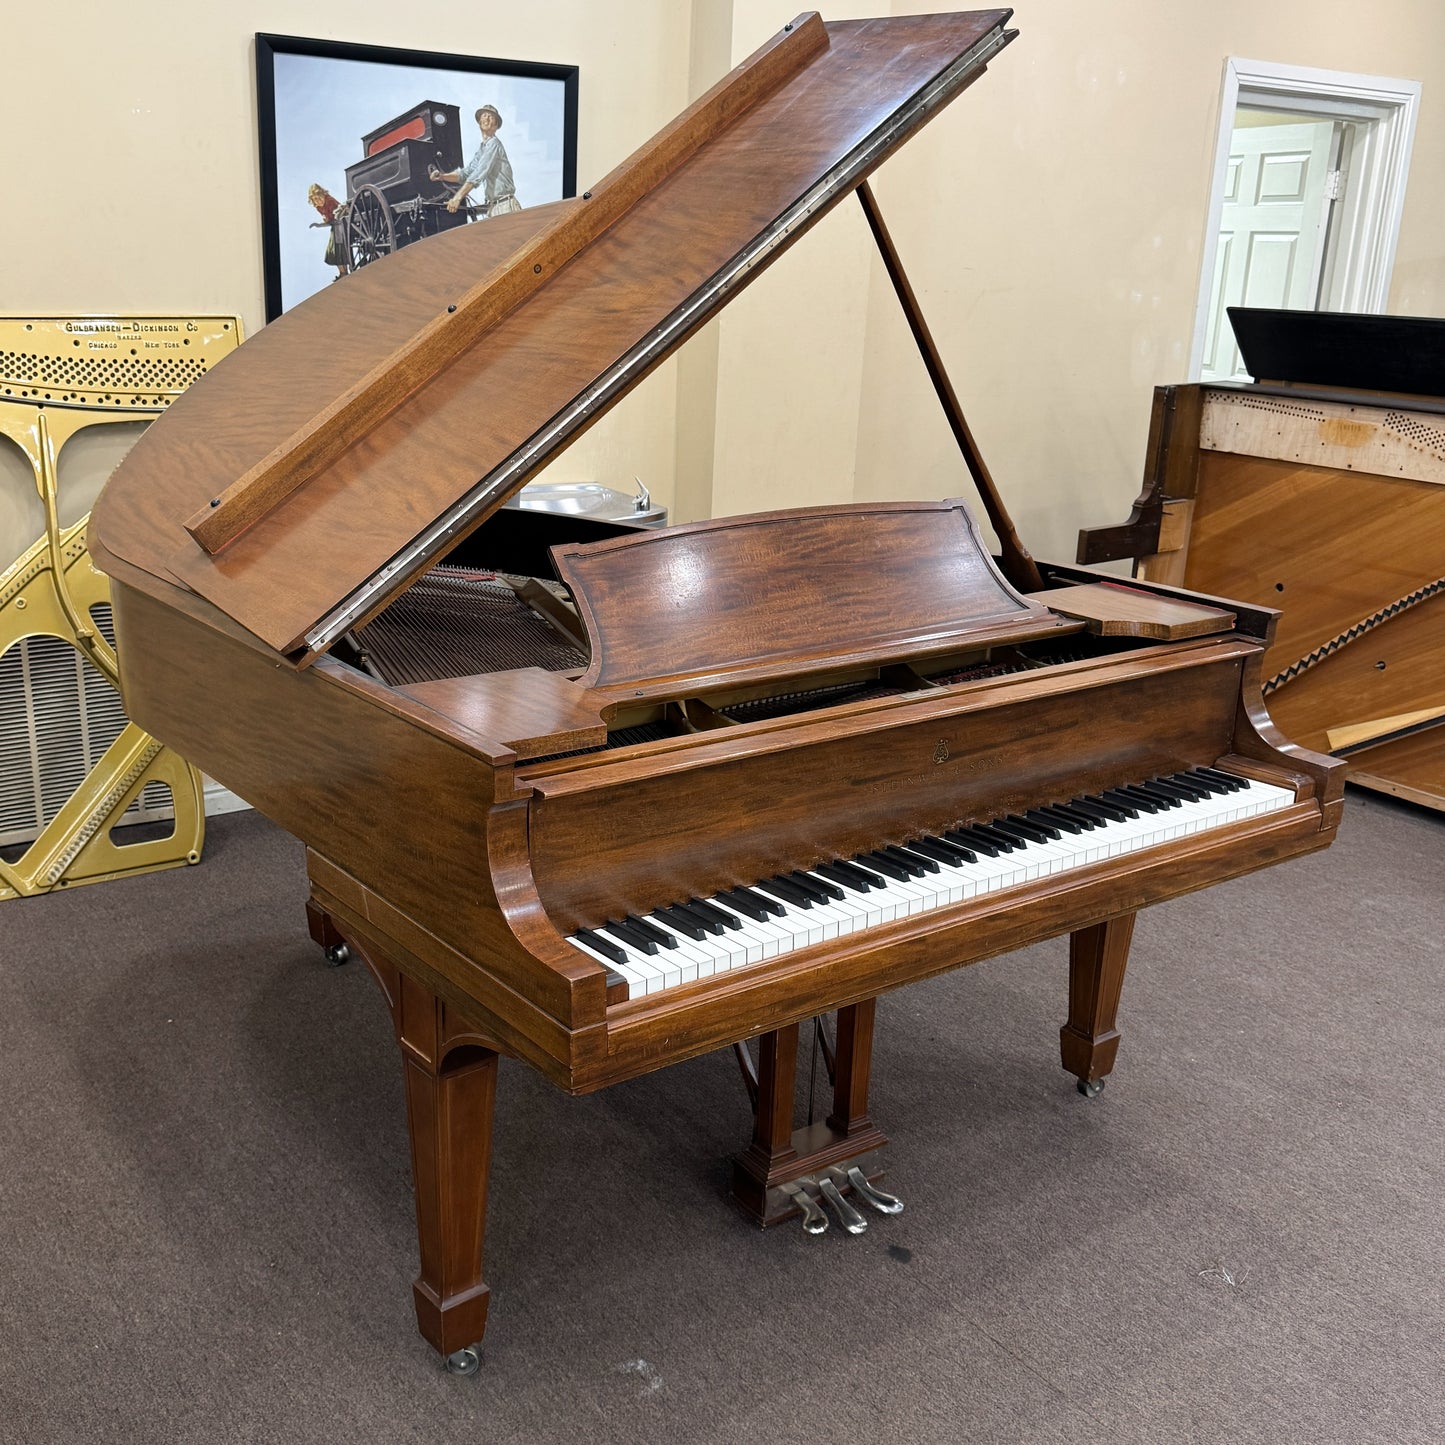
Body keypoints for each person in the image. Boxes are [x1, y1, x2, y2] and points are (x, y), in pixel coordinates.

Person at [430, 105, 520, 217]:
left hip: (505, 206)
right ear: (479, 122)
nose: (487, 118)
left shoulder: (494, 144)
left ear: (496, 125)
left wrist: (457, 198)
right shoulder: (482, 149)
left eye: (491, 117)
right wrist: (443, 176)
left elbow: (478, 174)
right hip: (493, 207)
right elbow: (465, 174)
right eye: (484, 116)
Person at [307, 183, 347, 276]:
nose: (319, 200)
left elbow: (339, 215)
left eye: (319, 197)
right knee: (334, 250)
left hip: (341, 224)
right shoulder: (319, 207)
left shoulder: (330, 201)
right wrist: (320, 224)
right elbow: (329, 221)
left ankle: (343, 272)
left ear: (323, 194)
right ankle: (343, 272)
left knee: (336, 249)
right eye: (315, 199)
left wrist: (327, 220)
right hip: (335, 226)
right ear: (313, 201)